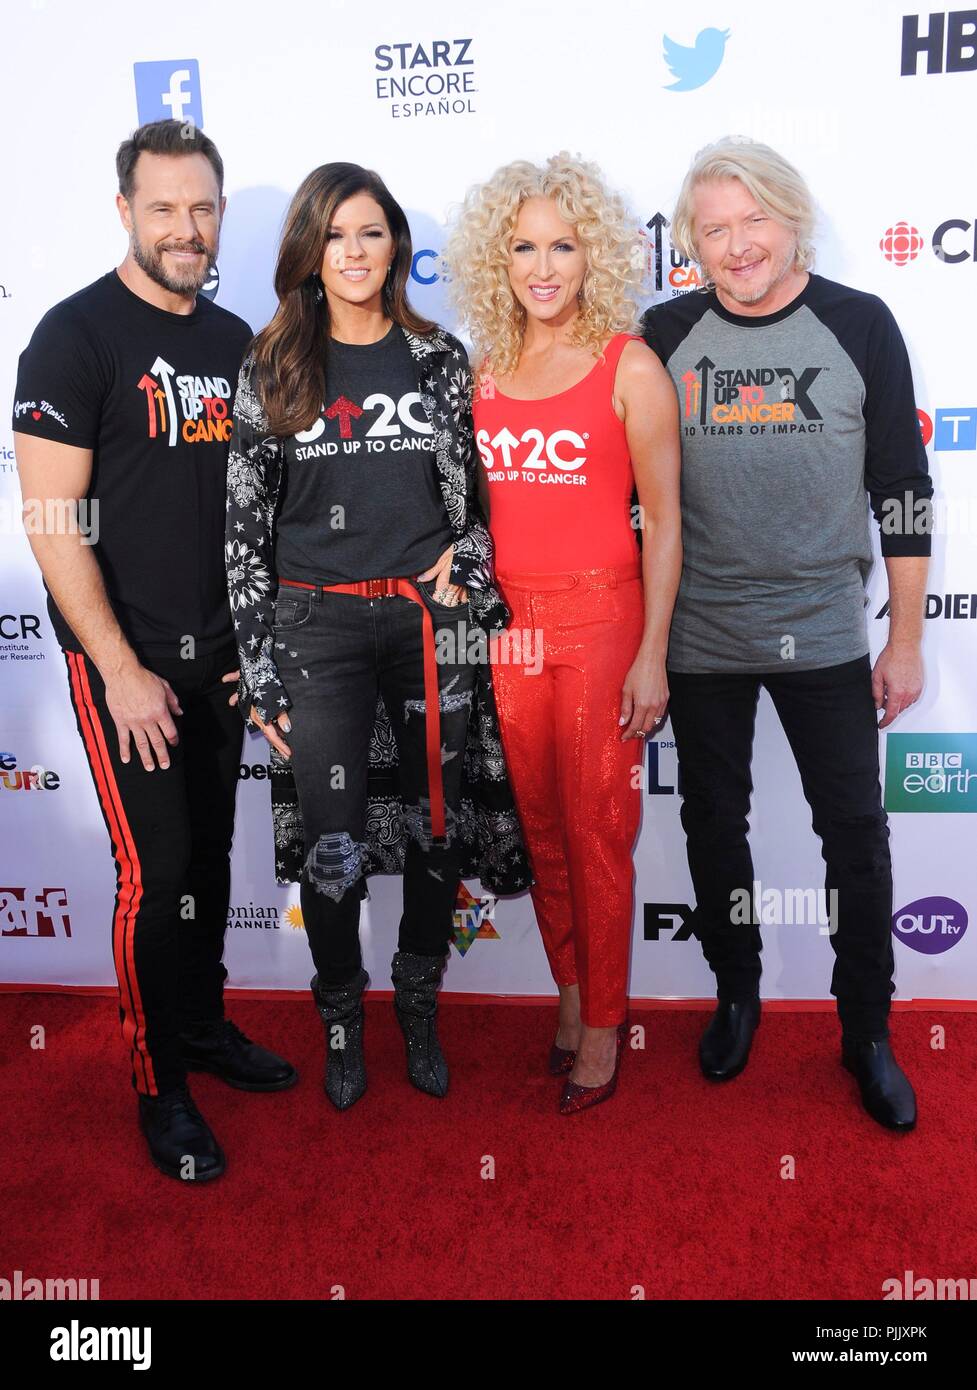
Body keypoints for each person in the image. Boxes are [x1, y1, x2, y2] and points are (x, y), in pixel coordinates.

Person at [12, 120, 296, 1185]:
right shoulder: (74, 336)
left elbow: (258, 517)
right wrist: (119, 668)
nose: (186, 227)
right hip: (122, 660)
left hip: (219, 657)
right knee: (158, 867)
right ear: (125, 210)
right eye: (164, 207)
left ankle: (204, 1025)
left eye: (203, 207)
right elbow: (53, 521)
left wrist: (252, 648)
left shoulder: (236, 344)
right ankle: (154, 1078)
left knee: (213, 858)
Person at [226, 162, 531, 1111]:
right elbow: (242, 533)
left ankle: (418, 1003)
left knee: (438, 831)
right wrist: (260, 671)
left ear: (395, 242)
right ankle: (341, 1021)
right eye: (333, 236)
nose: (353, 253)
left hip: (426, 628)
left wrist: (469, 564)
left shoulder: (440, 360)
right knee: (334, 846)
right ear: (308, 254)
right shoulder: (272, 365)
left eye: (370, 232)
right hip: (313, 629)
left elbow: (479, 511)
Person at [641, 137, 932, 1131]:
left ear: (788, 219)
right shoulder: (662, 330)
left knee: (854, 836)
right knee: (712, 826)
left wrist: (903, 637)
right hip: (699, 633)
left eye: (751, 220)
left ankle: (866, 1031)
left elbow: (899, 486)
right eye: (712, 229)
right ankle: (737, 991)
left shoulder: (858, 324)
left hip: (821, 630)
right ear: (691, 244)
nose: (735, 245)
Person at [442, 154, 682, 1113]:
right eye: (523, 247)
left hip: (601, 618)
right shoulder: (485, 366)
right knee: (539, 828)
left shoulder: (631, 364)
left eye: (563, 245)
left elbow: (663, 522)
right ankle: (572, 994)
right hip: (509, 629)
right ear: (496, 261)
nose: (543, 266)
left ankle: (606, 1027)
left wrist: (652, 652)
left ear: (595, 256)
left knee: (598, 833)